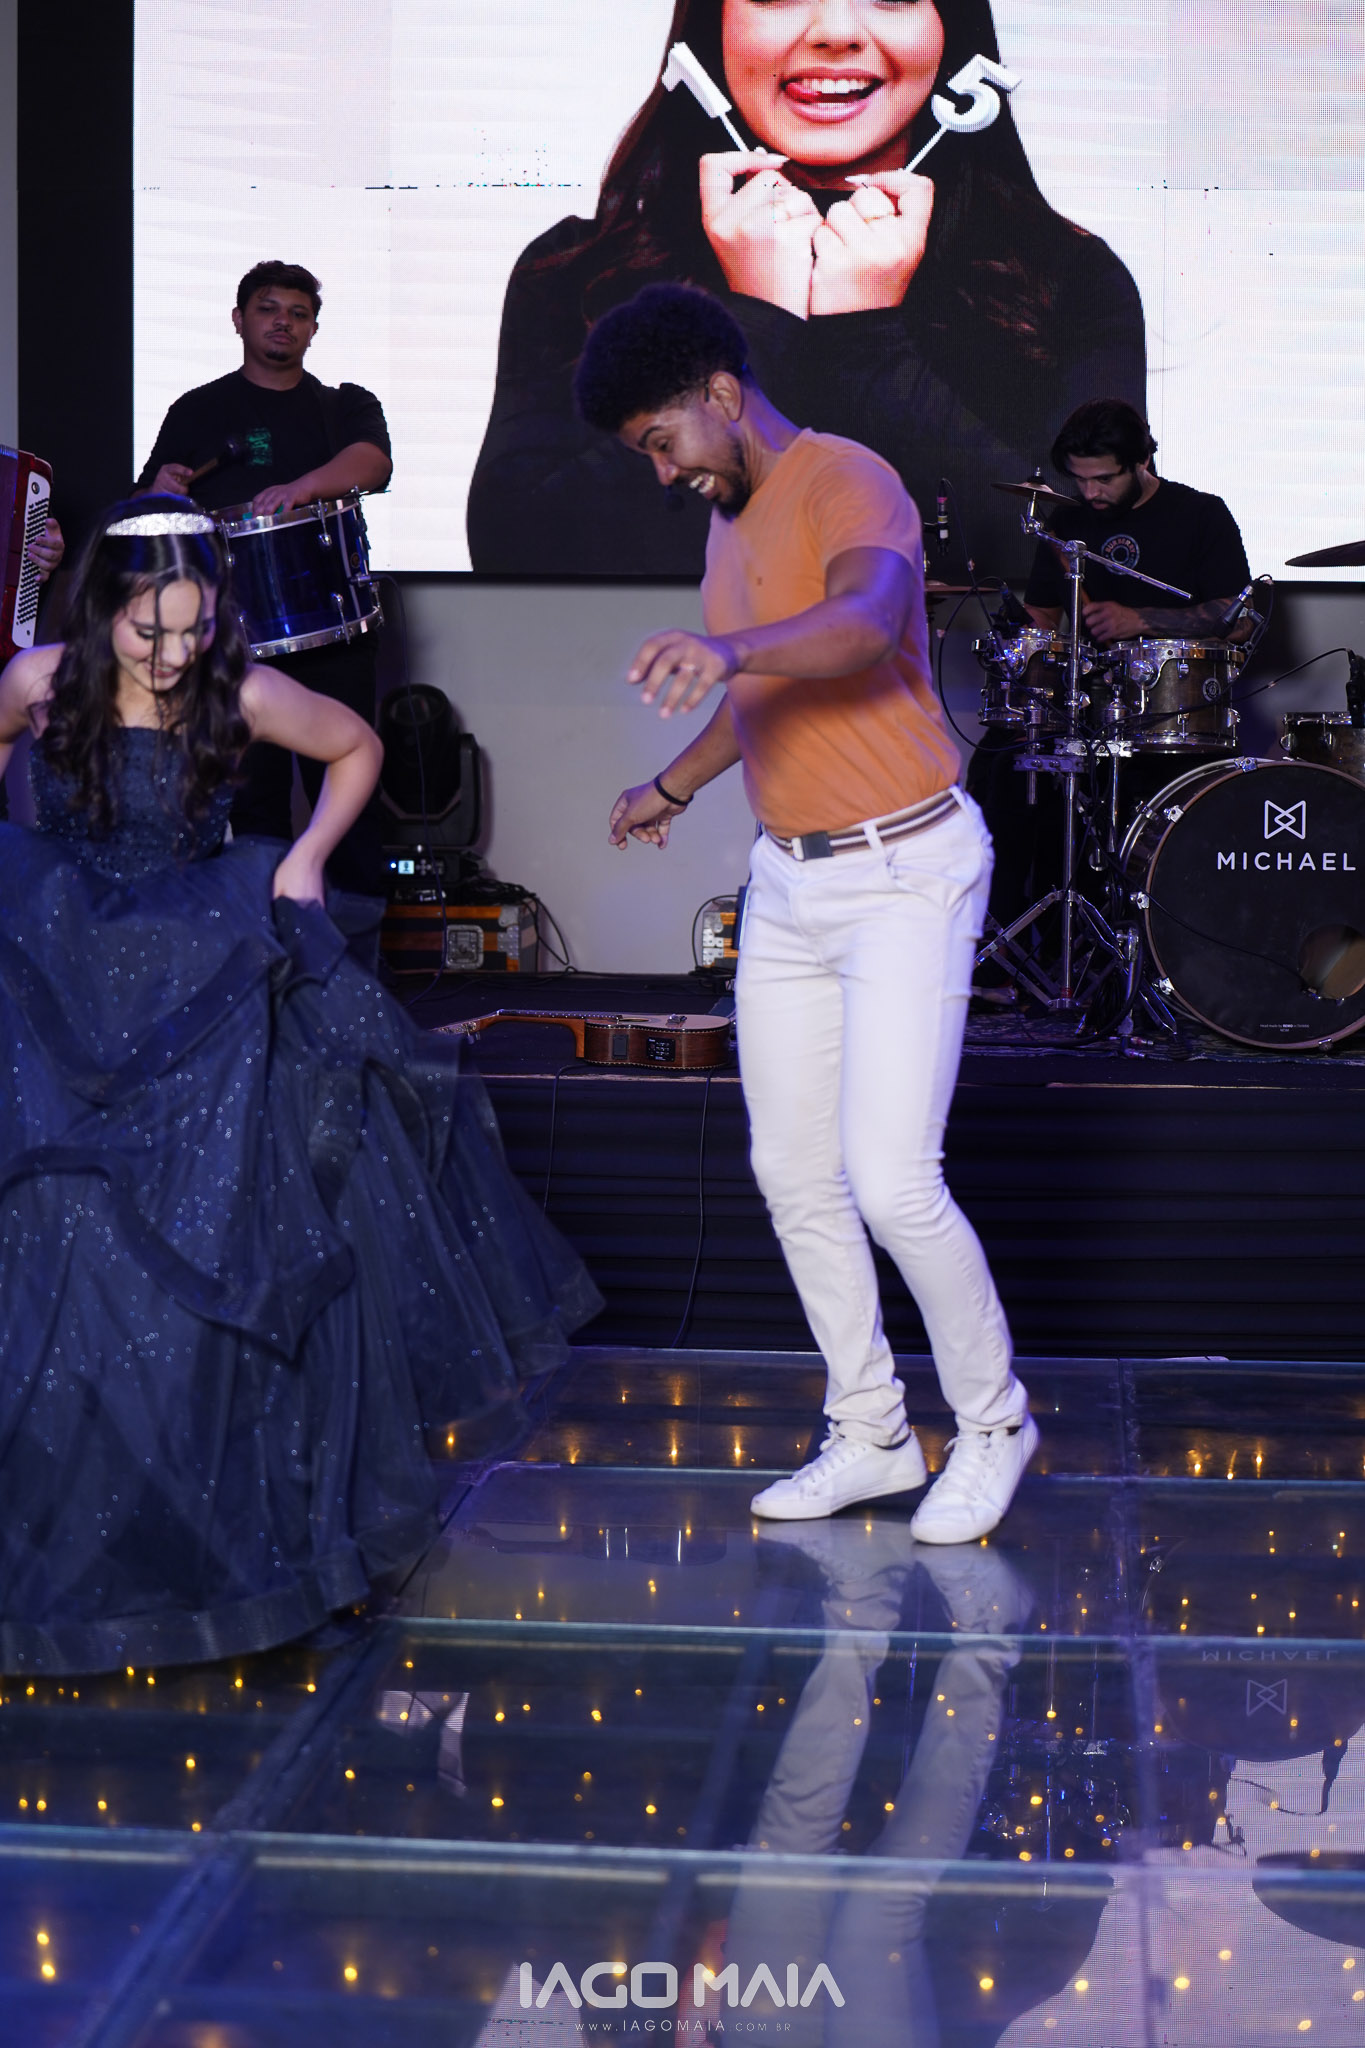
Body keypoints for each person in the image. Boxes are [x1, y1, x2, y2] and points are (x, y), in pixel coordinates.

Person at [0, 499, 600, 1675]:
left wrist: (309, 860)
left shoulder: (245, 690)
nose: (172, 654)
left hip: (204, 959)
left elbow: (356, 746)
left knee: (235, 1231)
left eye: (192, 628)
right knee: (56, 1227)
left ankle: (232, 1534)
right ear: (105, 606)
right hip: (60, 955)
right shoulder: (37, 679)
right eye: (148, 630)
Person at [592, 283, 1035, 1540]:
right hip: (791, 880)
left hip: (906, 868)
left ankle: (994, 1420)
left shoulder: (848, 478)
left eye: (662, 441)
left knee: (892, 1181)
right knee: (791, 1168)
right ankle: (872, 1430)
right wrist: (670, 783)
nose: (663, 470)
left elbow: (859, 626)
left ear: (721, 395)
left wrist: (734, 650)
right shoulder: (728, 520)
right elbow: (765, 696)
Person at [468, 0, 1145, 580]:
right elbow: (520, 556)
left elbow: (1095, 565)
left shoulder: (1068, 279)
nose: (835, 32)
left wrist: (870, 339)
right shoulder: (581, 274)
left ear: (952, 30)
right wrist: (755, 322)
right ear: (712, 26)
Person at [967, 397, 1253, 974]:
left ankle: (1141, 961)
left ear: (1141, 460)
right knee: (998, 765)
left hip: (1166, 715)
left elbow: (1238, 619)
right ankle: (1008, 959)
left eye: (1104, 479)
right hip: (1084, 707)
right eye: (1080, 479)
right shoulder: (1067, 522)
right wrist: (1020, 640)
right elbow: (1043, 618)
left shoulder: (1200, 514)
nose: (1090, 492)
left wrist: (1139, 619)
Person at [135, 260, 392, 894]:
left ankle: (357, 948)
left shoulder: (343, 405)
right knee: (253, 807)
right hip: (231, 644)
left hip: (334, 638)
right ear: (239, 319)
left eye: (299, 314)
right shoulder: (197, 410)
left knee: (349, 800)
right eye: (268, 309)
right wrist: (160, 489)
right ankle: (266, 942)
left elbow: (374, 463)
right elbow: (142, 509)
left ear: (313, 329)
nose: (284, 322)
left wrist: (303, 487)